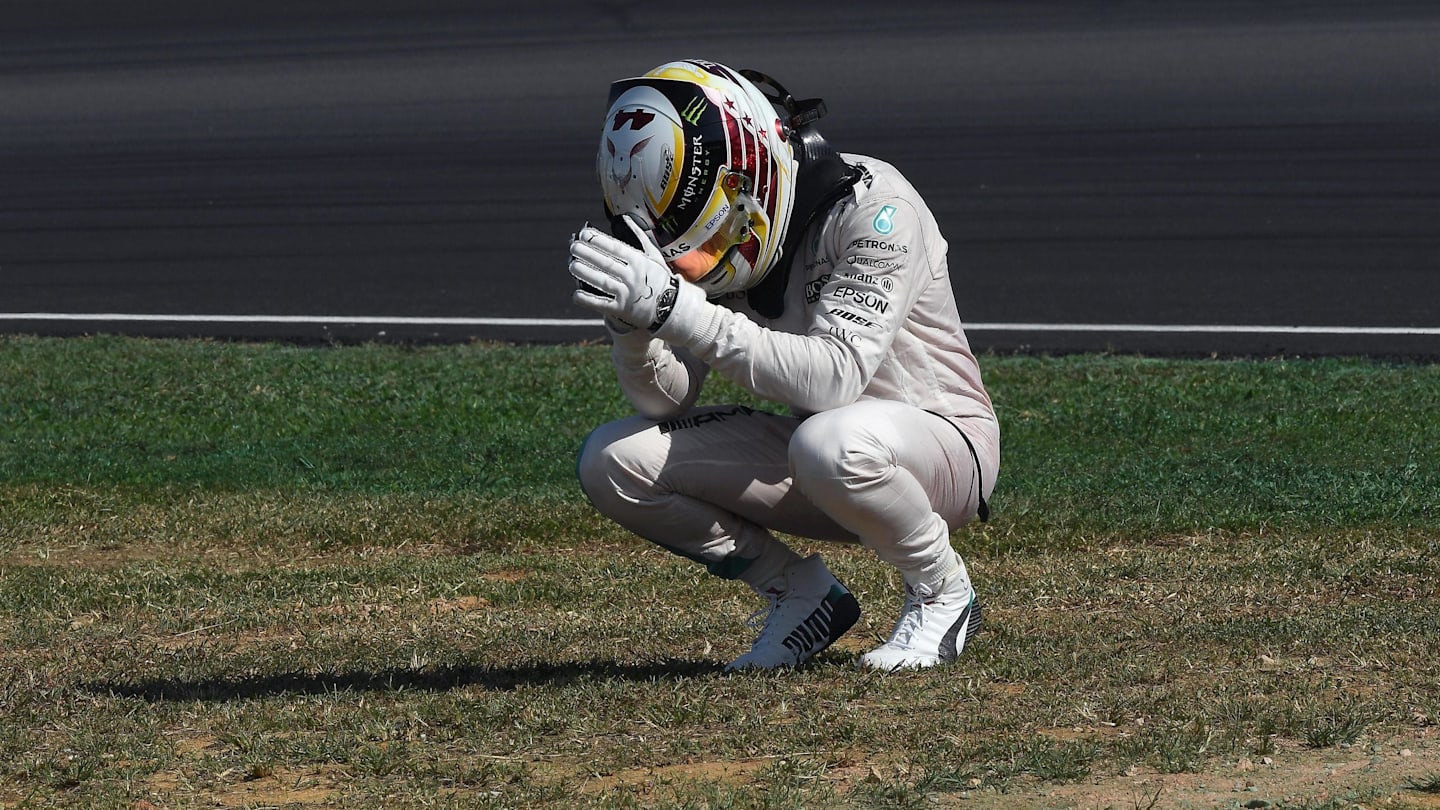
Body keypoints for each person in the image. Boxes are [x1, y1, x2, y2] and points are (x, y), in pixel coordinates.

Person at [568, 59, 999, 672]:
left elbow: (834, 378)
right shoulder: (725, 241)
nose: (704, 263)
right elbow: (665, 402)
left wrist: (678, 309)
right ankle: (801, 596)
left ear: (751, 174)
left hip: (946, 448)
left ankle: (942, 591)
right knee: (612, 461)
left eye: (713, 237)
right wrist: (632, 330)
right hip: (824, 454)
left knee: (831, 441)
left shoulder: (878, 205)